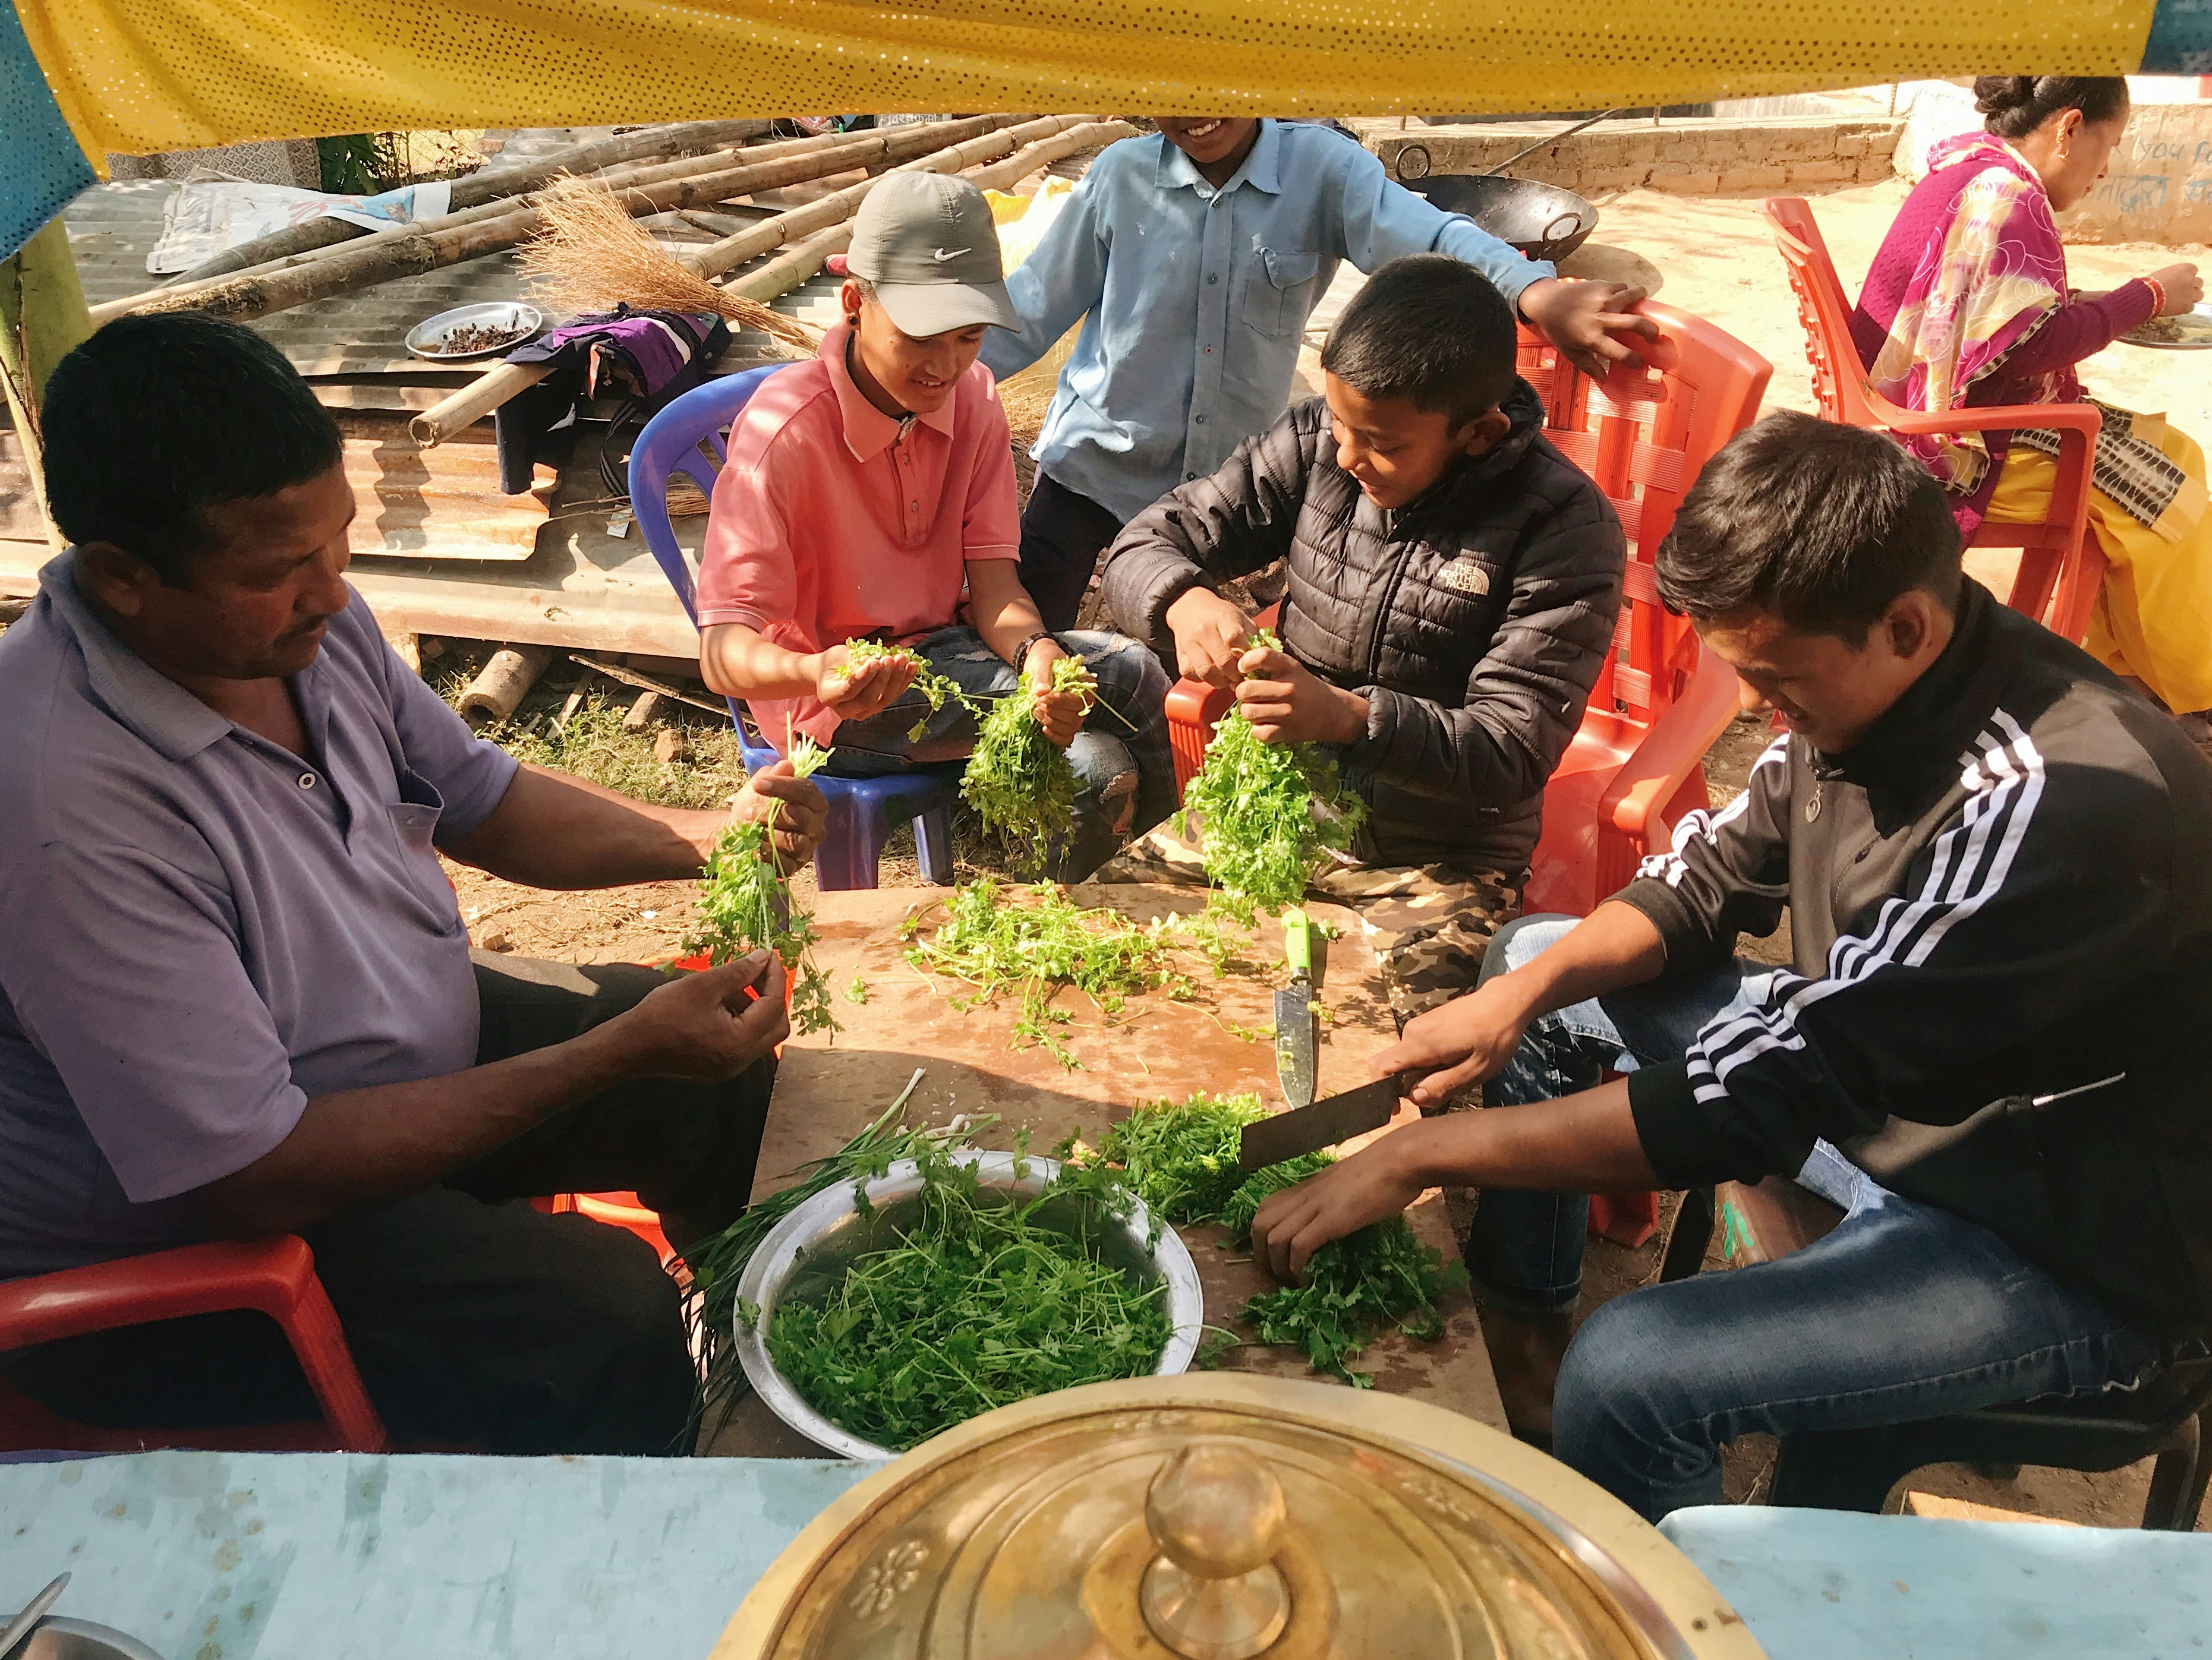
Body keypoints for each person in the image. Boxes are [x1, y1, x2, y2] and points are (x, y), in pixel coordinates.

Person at [1248, 412, 2212, 1520]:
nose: (1757, 710)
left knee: (1634, 1372)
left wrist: (1424, 1152)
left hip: (2060, 1235)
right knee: (1534, 962)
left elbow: (1765, 1092)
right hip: (1896, 1101)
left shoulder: (2052, 802)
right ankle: (1522, 1339)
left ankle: (1680, 1589)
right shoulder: (1871, 682)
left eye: (1777, 681)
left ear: (1903, 626)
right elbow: (1702, 883)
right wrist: (1512, 998)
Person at [0, 314, 828, 1456]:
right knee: (596, 1316)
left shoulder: (300, 633)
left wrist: (712, 838)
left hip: (369, 1064)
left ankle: (770, 1375)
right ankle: (657, 1498)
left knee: (718, 1083)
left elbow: (484, 797)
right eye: (278, 571)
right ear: (122, 578)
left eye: (336, 542)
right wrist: (610, 1053)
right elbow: (251, 1171)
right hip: (189, 1241)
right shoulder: (59, 809)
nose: (332, 592)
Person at [1102, 255, 1625, 1024]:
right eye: (1340, 425)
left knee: (1393, 1056)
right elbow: (1145, 542)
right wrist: (1183, 601)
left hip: (1433, 860)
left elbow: (1511, 750)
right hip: (1274, 814)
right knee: (1105, 958)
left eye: (1380, 443)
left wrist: (1350, 719)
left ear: (1478, 434)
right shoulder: (1319, 442)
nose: (1347, 458)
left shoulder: (1563, 528)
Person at [980, 116, 1656, 630]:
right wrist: (938, 378)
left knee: (1181, 658)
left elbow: (1430, 236)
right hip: (1091, 469)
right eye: (1173, 88)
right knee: (1027, 640)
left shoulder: (1322, 172)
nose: (1195, 109)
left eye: (1218, 82)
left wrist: (1533, 291)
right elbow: (1032, 307)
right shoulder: (1120, 179)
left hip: (1212, 490)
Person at [695, 171, 1175, 882]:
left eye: (969, 336)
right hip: (834, 706)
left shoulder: (973, 399)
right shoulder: (781, 435)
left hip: (946, 655)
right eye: (921, 337)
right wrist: (813, 672)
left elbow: (996, 589)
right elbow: (720, 656)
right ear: (854, 304)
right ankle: (1179, 872)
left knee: (1098, 765)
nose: (945, 366)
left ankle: (1108, 910)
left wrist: (1036, 653)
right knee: (1129, 671)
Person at [1854, 74, 2212, 752]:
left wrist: (2100, 302)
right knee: (2173, 507)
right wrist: (2144, 296)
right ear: (2069, 128)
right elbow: (2031, 345)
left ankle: (2130, 674)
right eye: (2108, 145)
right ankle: (2195, 693)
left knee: (2182, 455)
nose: (2105, 169)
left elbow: (1986, 310)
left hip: (1914, 410)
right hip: (1955, 443)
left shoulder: (1968, 167)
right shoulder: (2007, 196)